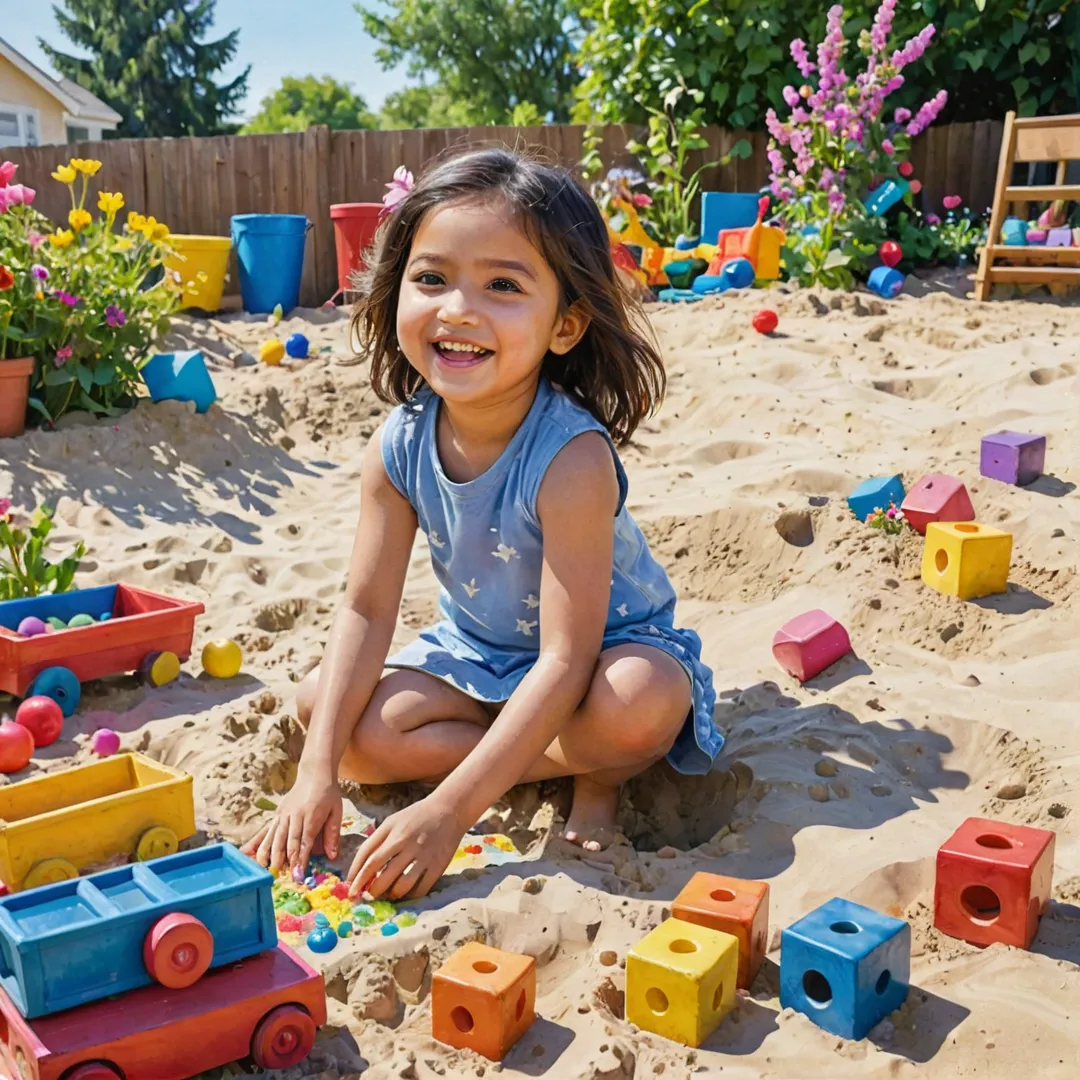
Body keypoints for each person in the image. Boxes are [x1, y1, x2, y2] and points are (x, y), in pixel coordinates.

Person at [242, 148, 721, 901]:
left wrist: (449, 809)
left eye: (502, 285)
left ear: (565, 326)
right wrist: (314, 775)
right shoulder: (398, 445)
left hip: (602, 659)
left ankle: (598, 776)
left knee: (642, 704)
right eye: (432, 278)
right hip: (480, 658)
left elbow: (567, 659)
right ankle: (563, 761)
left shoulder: (571, 458)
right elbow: (365, 610)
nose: (459, 309)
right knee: (330, 721)